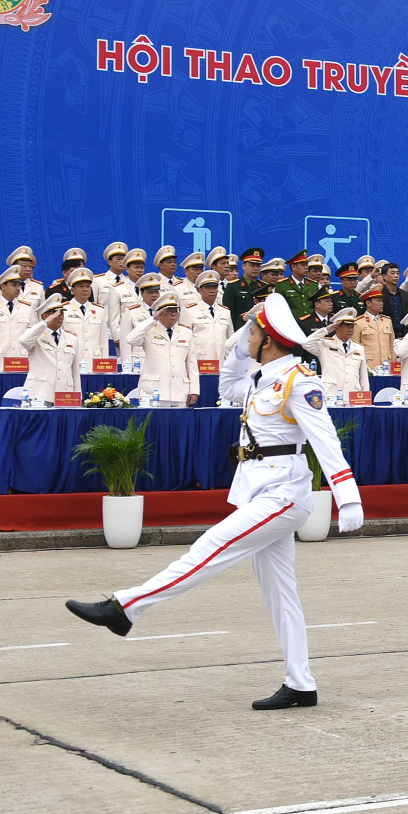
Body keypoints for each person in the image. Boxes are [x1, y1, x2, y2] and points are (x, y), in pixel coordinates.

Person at [66, 293, 364, 710]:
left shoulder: (300, 381)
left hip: (282, 493)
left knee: (209, 549)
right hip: (259, 490)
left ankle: (127, 607)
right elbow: (227, 383)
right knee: (282, 594)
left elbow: (326, 440)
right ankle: (300, 683)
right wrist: (245, 336)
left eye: (255, 331)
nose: (247, 337)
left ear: (271, 340)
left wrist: (347, 498)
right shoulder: (262, 380)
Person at [123, 293, 199, 405]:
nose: (174, 313)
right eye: (169, 310)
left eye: (176, 310)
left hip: (179, 391)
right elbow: (131, 339)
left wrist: (194, 390)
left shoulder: (186, 333)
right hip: (154, 390)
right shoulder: (149, 330)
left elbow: (191, 363)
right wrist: (152, 320)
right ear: (160, 313)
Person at [18, 294, 81, 403]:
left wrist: (77, 396)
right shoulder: (36, 335)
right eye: (55, 314)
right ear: (45, 316)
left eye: (62, 313)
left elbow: (75, 371)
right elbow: (24, 340)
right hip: (40, 393)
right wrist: (45, 323)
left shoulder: (72, 338)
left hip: (64, 393)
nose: (60, 317)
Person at [309, 309, 371, 396]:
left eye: (352, 326)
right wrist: (326, 330)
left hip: (352, 395)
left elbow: (363, 377)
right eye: (347, 326)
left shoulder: (358, 348)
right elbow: (307, 344)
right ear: (337, 327)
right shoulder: (325, 344)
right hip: (331, 395)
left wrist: (365, 397)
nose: (351, 329)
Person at [63, 269, 112, 368]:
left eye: (88, 286)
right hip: (71, 361)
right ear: (73, 290)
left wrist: (104, 364)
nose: (85, 289)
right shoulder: (64, 309)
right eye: (81, 286)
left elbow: (103, 341)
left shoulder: (99, 310)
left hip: (93, 361)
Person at [185, 272, 234, 367]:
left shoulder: (225, 311)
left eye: (214, 287)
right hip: (200, 362)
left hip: (222, 362)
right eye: (208, 288)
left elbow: (230, 339)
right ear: (199, 290)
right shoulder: (190, 311)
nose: (212, 291)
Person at [354, 286, 396, 369]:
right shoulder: (358, 322)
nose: (382, 303)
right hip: (369, 366)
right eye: (378, 301)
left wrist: (394, 367)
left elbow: (392, 346)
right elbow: (355, 349)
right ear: (368, 303)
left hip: (387, 366)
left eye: (382, 301)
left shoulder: (387, 320)